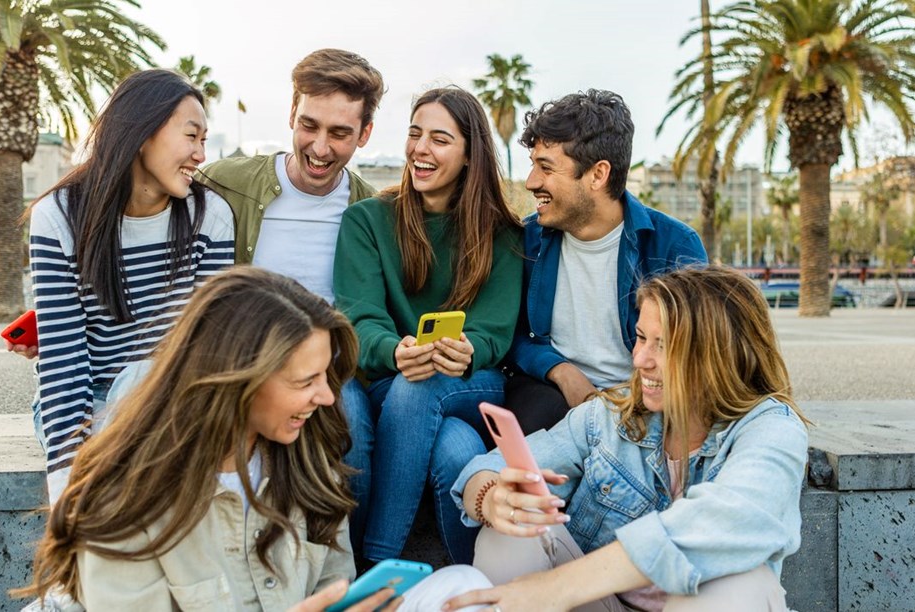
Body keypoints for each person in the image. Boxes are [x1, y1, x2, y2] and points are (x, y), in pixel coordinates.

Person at [15, 267, 493, 612]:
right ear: (236, 381)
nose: (328, 398)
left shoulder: (309, 459)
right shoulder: (125, 494)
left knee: (465, 587)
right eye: (305, 381)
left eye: (325, 377)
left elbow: (335, 578)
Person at [448, 266, 810, 612]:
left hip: (696, 604)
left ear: (720, 356)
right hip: (602, 604)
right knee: (509, 533)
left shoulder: (771, 428)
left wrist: (556, 588)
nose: (640, 360)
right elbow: (487, 467)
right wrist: (491, 496)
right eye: (640, 338)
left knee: (742, 584)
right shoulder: (610, 416)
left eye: (663, 346)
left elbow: (730, 522)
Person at [25, 69, 235, 503]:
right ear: (141, 133)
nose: (200, 154)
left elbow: (211, 348)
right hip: (93, 400)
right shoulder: (59, 216)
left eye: (203, 140)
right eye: (191, 136)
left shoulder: (210, 216)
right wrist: (67, 491)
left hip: (177, 399)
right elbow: (64, 366)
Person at [334, 87, 523, 566]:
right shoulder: (368, 221)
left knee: (424, 383)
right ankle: (464, 580)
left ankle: (375, 567)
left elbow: (494, 331)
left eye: (439, 139)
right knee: (454, 451)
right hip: (386, 374)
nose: (420, 148)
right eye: (415, 134)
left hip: (468, 382)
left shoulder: (502, 233)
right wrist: (396, 350)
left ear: (468, 154)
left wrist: (469, 349)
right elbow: (359, 317)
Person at [505, 90, 707, 436]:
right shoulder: (527, 240)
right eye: (532, 164)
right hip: (550, 396)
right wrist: (560, 370)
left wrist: (631, 398)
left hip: (648, 399)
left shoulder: (674, 247)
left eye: (546, 167)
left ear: (598, 175)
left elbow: (698, 353)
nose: (531, 182)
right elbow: (512, 333)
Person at [197, 48, 384, 302]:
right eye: (309, 125)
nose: (320, 147)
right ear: (292, 113)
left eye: (339, 134)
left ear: (364, 134)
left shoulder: (374, 212)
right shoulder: (221, 182)